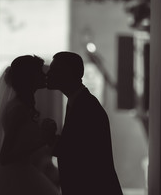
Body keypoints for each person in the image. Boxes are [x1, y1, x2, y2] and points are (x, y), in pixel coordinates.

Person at [0, 55, 59, 195]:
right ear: (29, 77)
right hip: (17, 174)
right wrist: (42, 140)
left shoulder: (21, 106)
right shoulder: (18, 109)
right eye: (39, 72)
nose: (44, 75)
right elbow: (5, 156)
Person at [45, 51, 123, 195]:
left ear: (67, 73)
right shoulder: (79, 102)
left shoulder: (87, 108)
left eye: (54, 70)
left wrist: (47, 136)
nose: (48, 74)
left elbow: (76, 153)